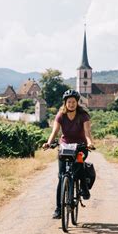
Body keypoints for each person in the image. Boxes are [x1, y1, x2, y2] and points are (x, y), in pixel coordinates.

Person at [42, 89, 94, 219]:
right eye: (69, 102)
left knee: (79, 162)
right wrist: (48, 143)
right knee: (61, 177)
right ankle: (59, 209)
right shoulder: (60, 115)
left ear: (77, 103)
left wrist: (89, 143)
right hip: (65, 146)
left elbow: (87, 133)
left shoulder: (83, 115)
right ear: (65, 103)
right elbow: (54, 132)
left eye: (73, 102)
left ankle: (84, 188)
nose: (71, 104)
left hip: (81, 146)